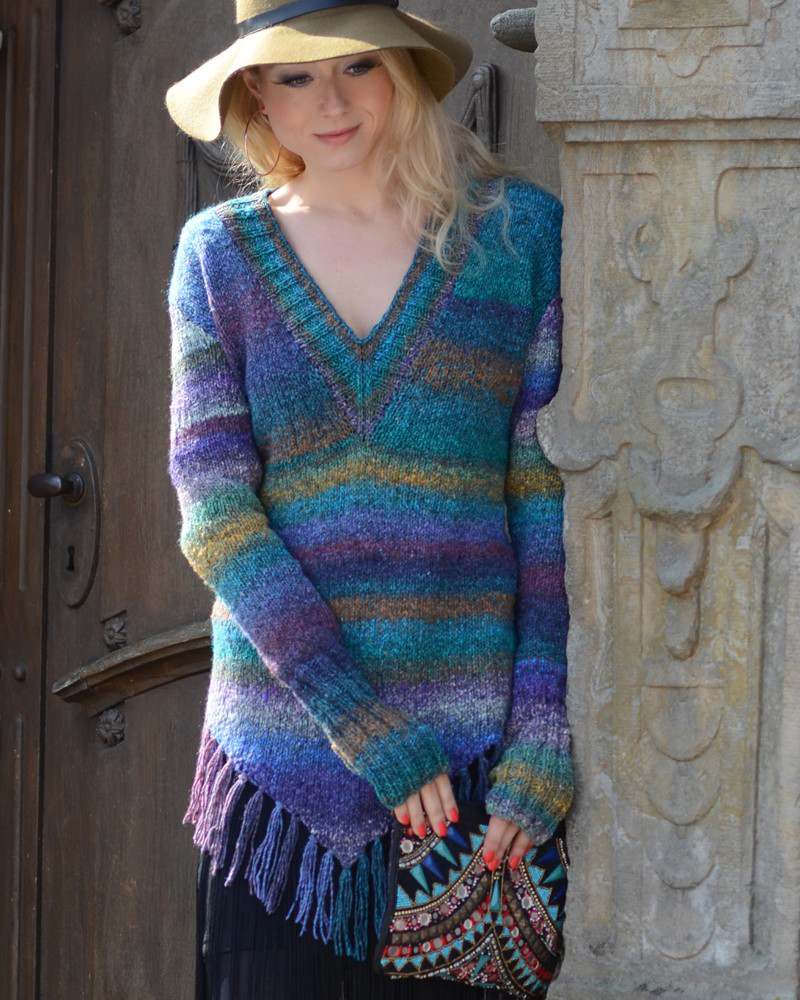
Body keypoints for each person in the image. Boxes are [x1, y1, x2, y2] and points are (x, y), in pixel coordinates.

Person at [163, 2, 575, 997]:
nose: (332, 102)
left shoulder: (514, 237)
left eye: (358, 66)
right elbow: (216, 510)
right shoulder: (219, 256)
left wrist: (542, 725)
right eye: (296, 76)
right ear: (256, 94)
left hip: (473, 771)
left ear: (404, 69)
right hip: (283, 778)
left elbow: (544, 494)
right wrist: (357, 718)